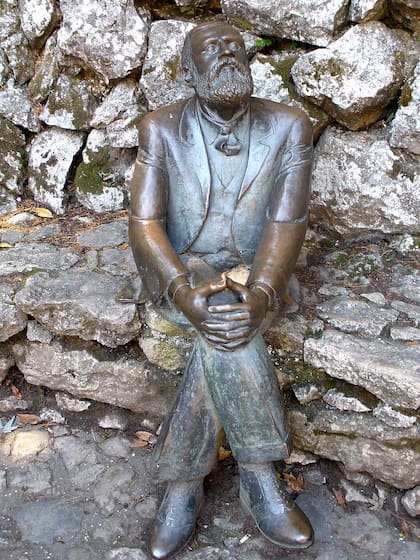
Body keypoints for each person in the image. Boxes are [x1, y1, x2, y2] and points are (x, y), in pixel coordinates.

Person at [129, 21, 314, 560]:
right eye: (211, 49)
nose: (227, 54)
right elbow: (144, 224)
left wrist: (261, 291)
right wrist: (183, 289)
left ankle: (182, 486)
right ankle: (262, 480)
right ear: (189, 72)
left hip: (255, 273)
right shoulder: (159, 129)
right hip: (182, 271)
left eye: (235, 46)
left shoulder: (289, 127)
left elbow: (288, 220)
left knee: (228, 326)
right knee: (225, 327)